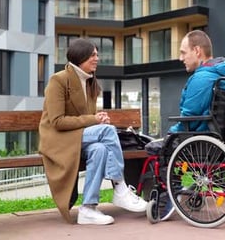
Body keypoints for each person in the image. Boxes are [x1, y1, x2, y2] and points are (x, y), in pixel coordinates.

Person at [38, 38, 147, 226]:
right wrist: (95, 120)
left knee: (100, 149)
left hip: (78, 137)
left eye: (97, 54)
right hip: (58, 140)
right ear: (81, 57)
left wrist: (97, 119)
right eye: (93, 55)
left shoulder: (90, 83)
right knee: (107, 131)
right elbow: (57, 121)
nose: (97, 58)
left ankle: (88, 208)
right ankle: (120, 186)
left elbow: (87, 118)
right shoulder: (58, 80)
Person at [147, 29, 225, 220]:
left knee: (155, 148)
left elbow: (189, 117)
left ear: (197, 51)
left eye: (184, 52)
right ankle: (201, 184)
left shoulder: (202, 79)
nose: (180, 57)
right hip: (221, 139)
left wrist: (170, 134)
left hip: (200, 140)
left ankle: (168, 196)